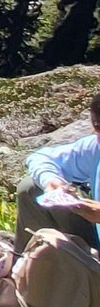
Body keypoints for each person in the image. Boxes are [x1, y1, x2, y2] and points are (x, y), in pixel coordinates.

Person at [19, 92, 100, 252]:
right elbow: (41, 157)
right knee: (31, 188)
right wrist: (52, 181)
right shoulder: (94, 149)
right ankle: (24, 270)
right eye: (98, 127)